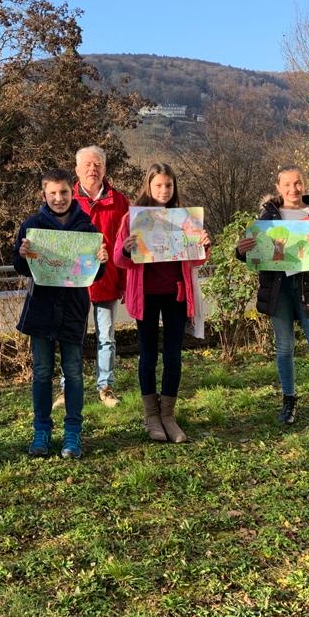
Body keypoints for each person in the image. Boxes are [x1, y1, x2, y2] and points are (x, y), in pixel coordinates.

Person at [235, 165, 309, 429]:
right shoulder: (266, 216)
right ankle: (289, 402)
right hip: (279, 291)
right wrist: (242, 251)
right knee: (284, 349)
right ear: (278, 188)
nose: (293, 189)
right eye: (287, 184)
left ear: (305, 184)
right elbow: (253, 253)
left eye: (298, 183)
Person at [13, 168, 108, 459]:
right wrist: (22, 254)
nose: (58, 198)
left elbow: (95, 274)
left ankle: (73, 432)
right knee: (41, 373)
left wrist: (101, 260)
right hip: (40, 309)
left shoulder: (87, 228)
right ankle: (41, 430)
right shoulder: (31, 226)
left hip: (72, 311)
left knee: (74, 374)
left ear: (73, 193)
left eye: (64, 192)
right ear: (44, 195)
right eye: (52, 193)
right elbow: (20, 268)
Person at [114, 163, 210, 443]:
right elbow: (120, 261)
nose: (164, 190)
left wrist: (203, 244)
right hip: (145, 295)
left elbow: (196, 260)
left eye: (168, 185)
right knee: (147, 354)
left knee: (173, 355)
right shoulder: (132, 218)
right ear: (148, 186)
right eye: (158, 185)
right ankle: (151, 416)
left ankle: (168, 414)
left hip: (176, 294)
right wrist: (126, 249)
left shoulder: (184, 218)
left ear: (174, 187)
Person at [62, 145, 129, 410]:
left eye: (98, 164)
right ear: (77, 169)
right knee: (71, 337)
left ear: (105, 168)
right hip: (72, 283)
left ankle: (106, 386)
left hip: (107, 280)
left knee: (106, 337)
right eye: (87, 164)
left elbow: (126, 244)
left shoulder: (119, 201)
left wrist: (124, 281)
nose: (93, 169)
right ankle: (67, 387)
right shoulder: (65, 199)